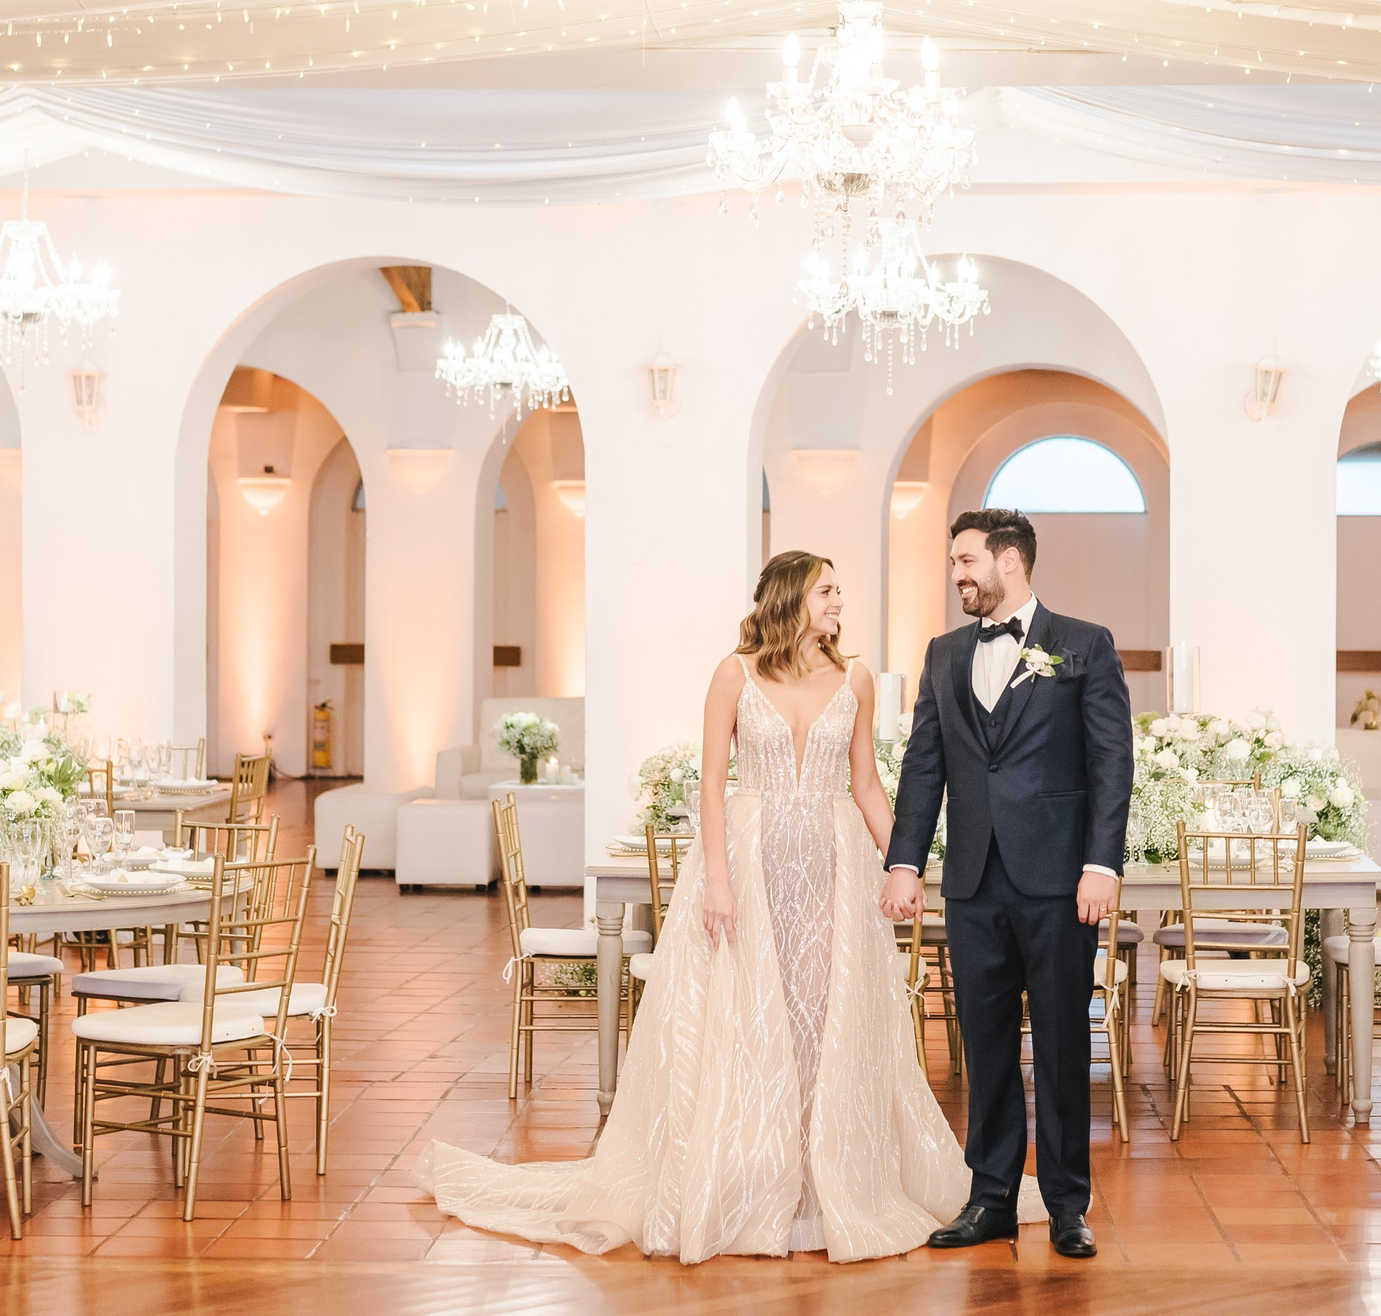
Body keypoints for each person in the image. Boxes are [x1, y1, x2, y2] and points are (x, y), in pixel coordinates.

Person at [416, 551, 1039, 1261]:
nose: (840, 601)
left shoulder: (856, 678)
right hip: (749, 862)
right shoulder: (733, 673)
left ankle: (822, 1181)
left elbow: (865, 782)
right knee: (752, 1020)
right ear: (792, 598)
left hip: (833, 868)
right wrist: (718, 880)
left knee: (824, 1019)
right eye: (829, 590)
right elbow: (711, 786)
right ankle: (753, 1177)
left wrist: (905, 865)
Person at [881, 508, 1134, 1259]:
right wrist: (904, 859)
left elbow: (1110, 762)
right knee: (983, 1043)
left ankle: (1065, 1205)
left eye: (966, 560)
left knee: (1061, 1043)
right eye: (953, 562)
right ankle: (990, 1194)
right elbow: (926, 762)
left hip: (1060, 881)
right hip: (972, 882)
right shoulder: (944, 651)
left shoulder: (1084, 645)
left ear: (1009, 561)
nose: (956, 574)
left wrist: (1102, 863)